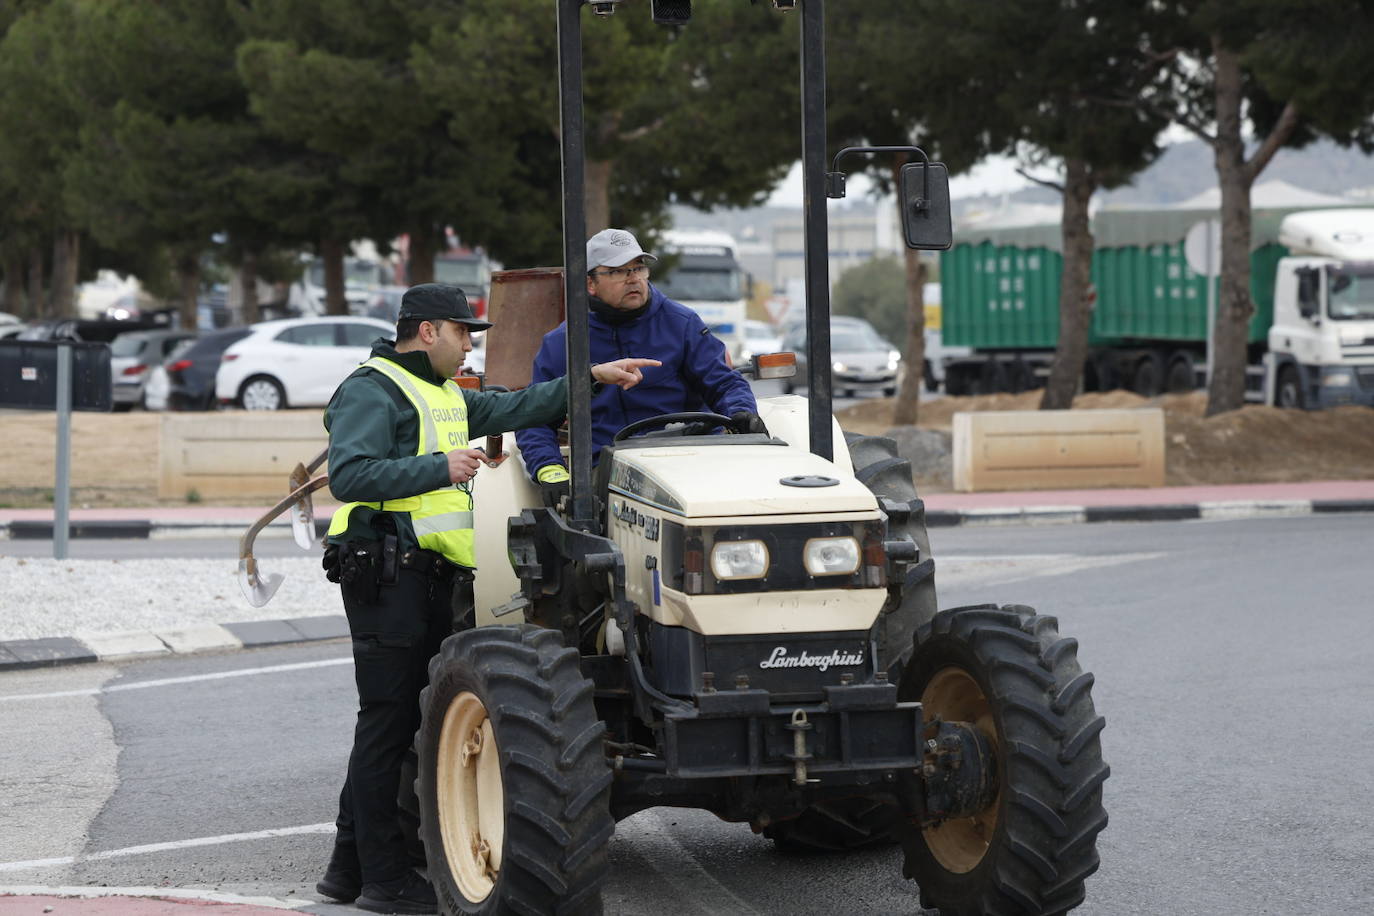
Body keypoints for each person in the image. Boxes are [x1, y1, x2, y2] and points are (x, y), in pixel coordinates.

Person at [316, 282, 658, 915]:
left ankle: (346, 869)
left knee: (397, 724)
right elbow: (349, 474)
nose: (469, 347)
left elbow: (516, 407)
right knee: (388, 725)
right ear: (427, 332)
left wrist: (591, 377)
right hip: (387, 569)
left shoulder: (442, 392)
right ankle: (384, 882)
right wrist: (438, 468)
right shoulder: (375, 388)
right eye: (462, 334)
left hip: (422, 573)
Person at [515, 228, 766, 507]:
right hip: (607, 470)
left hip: (688, 457)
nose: (634, 278)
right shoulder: (562, 343)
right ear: (590, 284)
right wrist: (548, 469)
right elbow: (535, 416)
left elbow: (724, 382)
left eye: (638, 268)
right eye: (619, 271)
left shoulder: (681, 324)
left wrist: (742, 412)